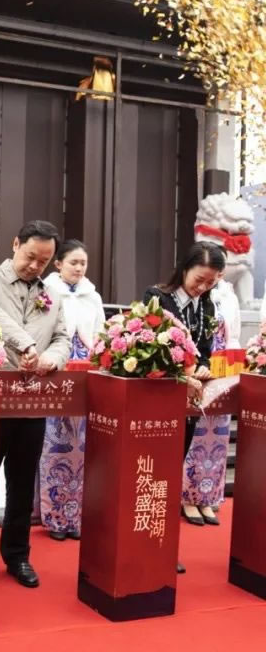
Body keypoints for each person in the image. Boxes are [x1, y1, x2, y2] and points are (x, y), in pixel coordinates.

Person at [0, 220, 71, 588]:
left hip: (31, 401)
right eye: (30, 257)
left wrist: (51, 360)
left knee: (23, 483)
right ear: (15, 244)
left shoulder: (53, 294)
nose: (34, 266)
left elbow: (62, 338)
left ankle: (17, 555)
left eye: (43, 261)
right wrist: (26, 344)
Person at [143, 241, 226, 573]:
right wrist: (183, 373)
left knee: (171, 472)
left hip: (187, 403)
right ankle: (143, 542)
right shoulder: (157, 297)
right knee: (149, 474)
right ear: (185, 268)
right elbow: (147, 350)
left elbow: (205, 350)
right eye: (199, 279)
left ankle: (164, 545)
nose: (203, 287)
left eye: (211, 282)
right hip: (156, 401)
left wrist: (202, 368)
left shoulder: (207, 306)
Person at [40, 240, 104, 541]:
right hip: (57, 372)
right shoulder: (46, 291)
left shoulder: (93, 296)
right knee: (55, 445)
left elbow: (100, 335)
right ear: (58, 264)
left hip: (86, 373)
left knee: (83, 447)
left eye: (83, 263)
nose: (79, 268)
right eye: (73, 263)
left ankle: (75, 515)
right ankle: (53, 516)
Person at [181, 272, 240, 526]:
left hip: (224, 366)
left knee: (217, 436)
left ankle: (207, 496)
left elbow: (234, 335)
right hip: (197, 368)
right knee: (197, 433)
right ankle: (187, 496)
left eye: (220, 271)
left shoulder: (229, 295)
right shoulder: (194, 294)